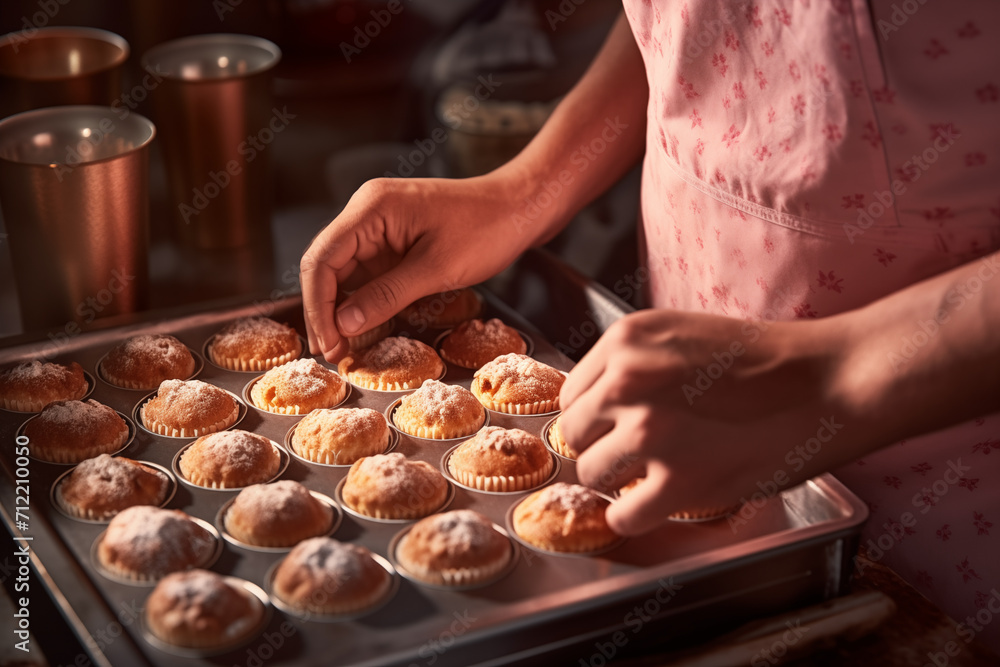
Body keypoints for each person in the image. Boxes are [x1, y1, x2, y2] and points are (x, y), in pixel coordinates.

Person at [301, 1, 1000, 652]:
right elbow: (693, 32)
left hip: (944, 492)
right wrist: (525, 189)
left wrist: (835, 373)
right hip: (669, 426)